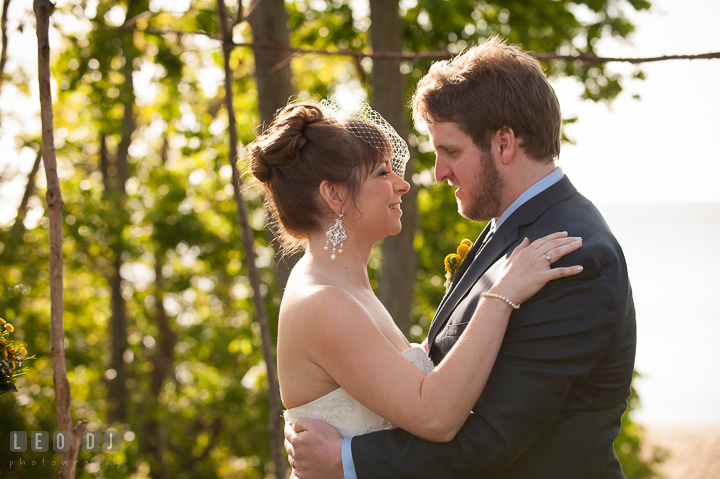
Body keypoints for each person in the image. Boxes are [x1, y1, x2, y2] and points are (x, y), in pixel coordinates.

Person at [284, 36, 636, 479]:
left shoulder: (570, 257)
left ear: (504, 143)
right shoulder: (506, 229)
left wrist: (346, 458)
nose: (437, 173)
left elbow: (490, 440)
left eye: (450, 151)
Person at [247, 96, 584, 478]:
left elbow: (402, 376)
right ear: (334, 194)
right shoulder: (323, 301)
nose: (402, 184)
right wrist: (500, 294)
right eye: (382, 173)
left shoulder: (342, 283)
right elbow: (434, 415)